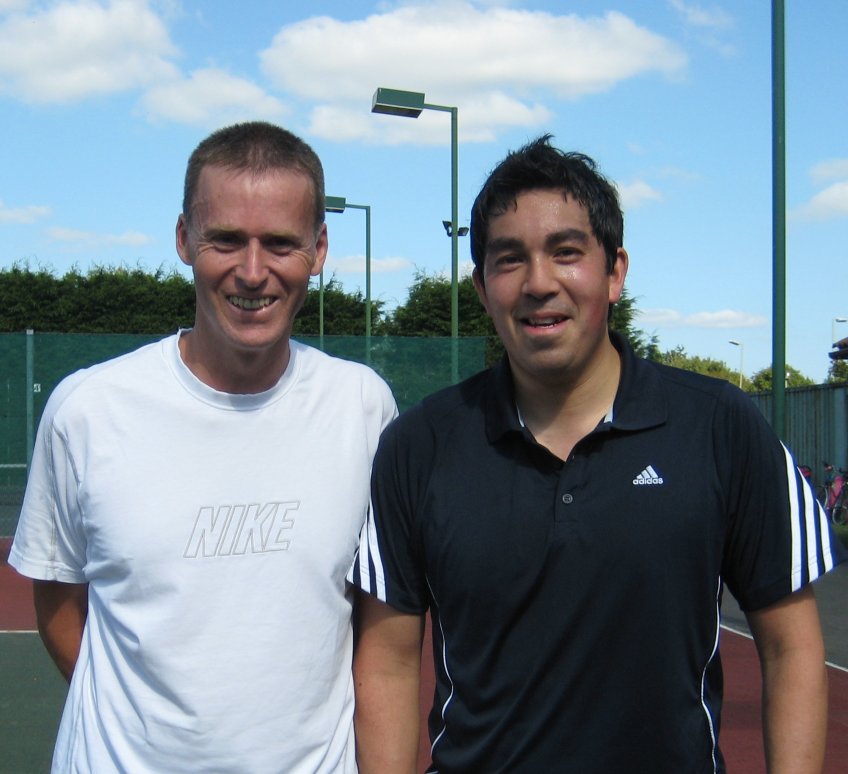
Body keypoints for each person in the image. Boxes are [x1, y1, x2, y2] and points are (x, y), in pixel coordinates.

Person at [349, 136, 845, 773]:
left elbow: (790, 649)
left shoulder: (721, 425)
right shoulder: (419, 445)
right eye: (509, 260)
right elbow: (389, 664)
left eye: (566, 252)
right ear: (481, 286)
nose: (539, 283)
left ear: (615, 272)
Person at [9, 121, 397, 773]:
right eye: (225, 240)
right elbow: (56, 598)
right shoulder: (87, 409)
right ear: (185, 239)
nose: (253, 272)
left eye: (279, 243)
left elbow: (379, 633)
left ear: (318, 249)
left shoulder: (363, 407)